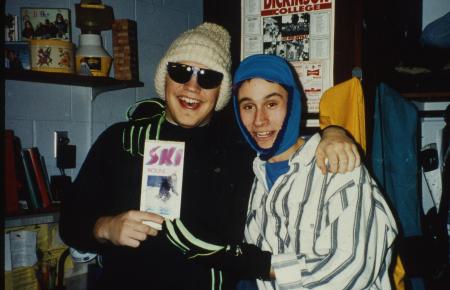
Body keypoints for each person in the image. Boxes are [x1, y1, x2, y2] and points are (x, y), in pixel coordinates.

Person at [59, 23, 360, 290]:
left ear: (221, 93)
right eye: (181, 72)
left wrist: (333, 133)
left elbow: (285, 144)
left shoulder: (240, 149)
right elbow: (70, 221)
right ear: (165, 78)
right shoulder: (122, 140)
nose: (192, 86)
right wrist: (105, 228)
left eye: (208, 77)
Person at [231, 54, 398, 289]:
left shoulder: (338, 164)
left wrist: (266, 266)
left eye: (271, 104)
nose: (259, 120)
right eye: (248, 106)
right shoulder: (254, 177)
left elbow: (351, 269)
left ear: (293, 104)